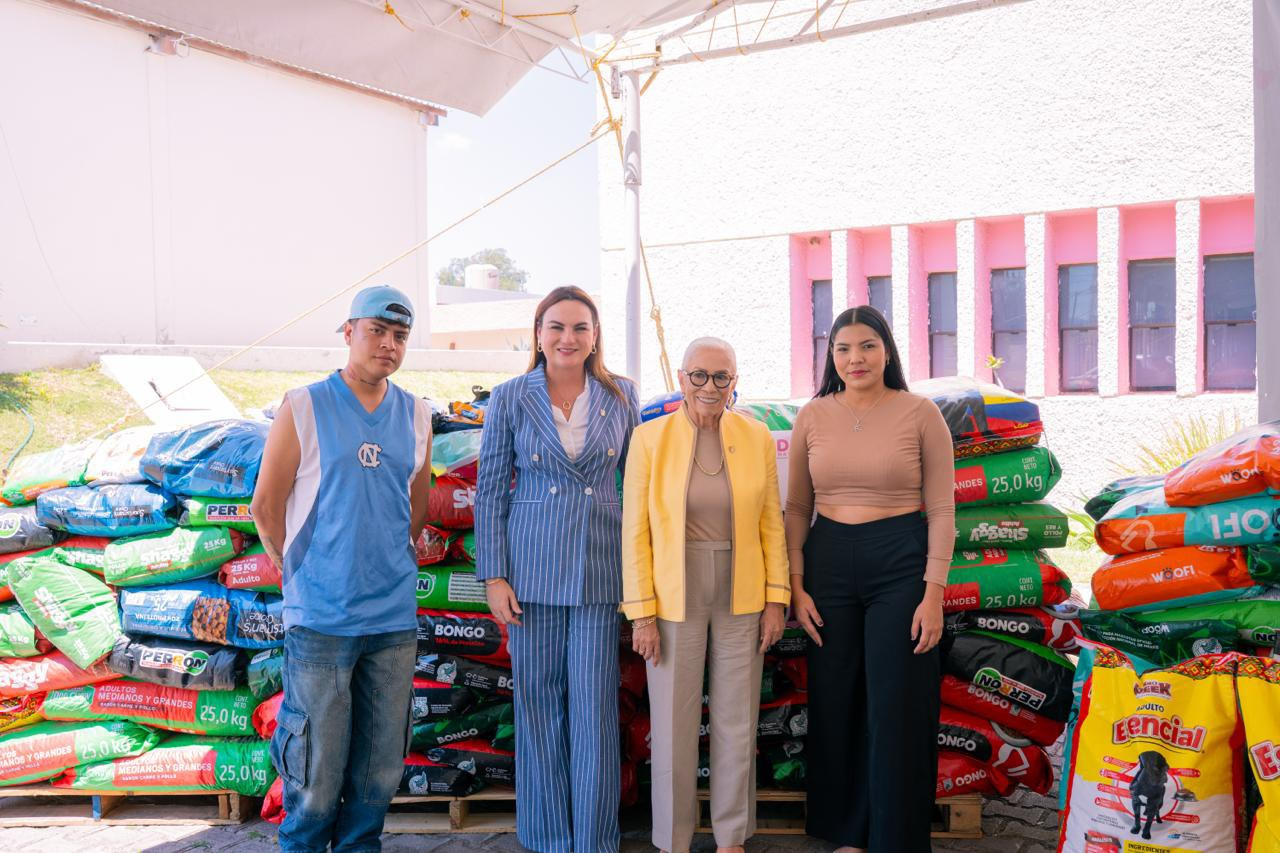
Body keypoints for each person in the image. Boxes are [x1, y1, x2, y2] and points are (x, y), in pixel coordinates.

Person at [253, 284, 432, 853]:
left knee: (379, 765)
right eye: (377, 331)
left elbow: (417, 508)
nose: (388, 344)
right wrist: (300, 569)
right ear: (348, 332)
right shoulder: (304, 405)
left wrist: (381, 562)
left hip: (392, 619)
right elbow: (266, 504)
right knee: (316, 765)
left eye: (400, 335)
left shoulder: (417, 414)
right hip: (323, 618)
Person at [474, 286, 641, 853]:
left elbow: (638, 491)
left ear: (595, 337)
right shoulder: (510, 398)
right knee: (538, 703)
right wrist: (493, 575)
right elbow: (490, 490)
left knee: (594, 708)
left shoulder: (622, 397)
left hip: (600, 569)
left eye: (580, 328)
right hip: (530, 573)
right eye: (556, 327)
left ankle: (594, 839)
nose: (568, 338)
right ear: (538, 333)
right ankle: (546, 837)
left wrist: (641, 578)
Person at [786, 305, 955, 853]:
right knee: (835, 698)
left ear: (887, 350)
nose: (854, 358)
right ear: (830, 356)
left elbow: (943, 509)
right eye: (842, 348)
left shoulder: (920, 412)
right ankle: (847, 833)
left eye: (866, 346)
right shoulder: (813, 414)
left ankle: (895, 837)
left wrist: (933, 593)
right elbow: (795, 507)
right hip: (829, 558)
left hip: (900, 563)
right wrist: (795, 582)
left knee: (896, 700)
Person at [623, 337, 789, 853]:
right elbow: (634, 532)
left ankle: (731, 837)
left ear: (735, 381)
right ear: (681, 377)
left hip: (741, 587)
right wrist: (642, 614)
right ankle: (673, 839)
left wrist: (776, 598)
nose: (709, 387)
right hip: (673, 594)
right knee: (673, 720)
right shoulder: (649, 439)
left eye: (722, 377)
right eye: (699, 375)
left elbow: (770, 524)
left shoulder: (756, 437)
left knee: (736, 718)